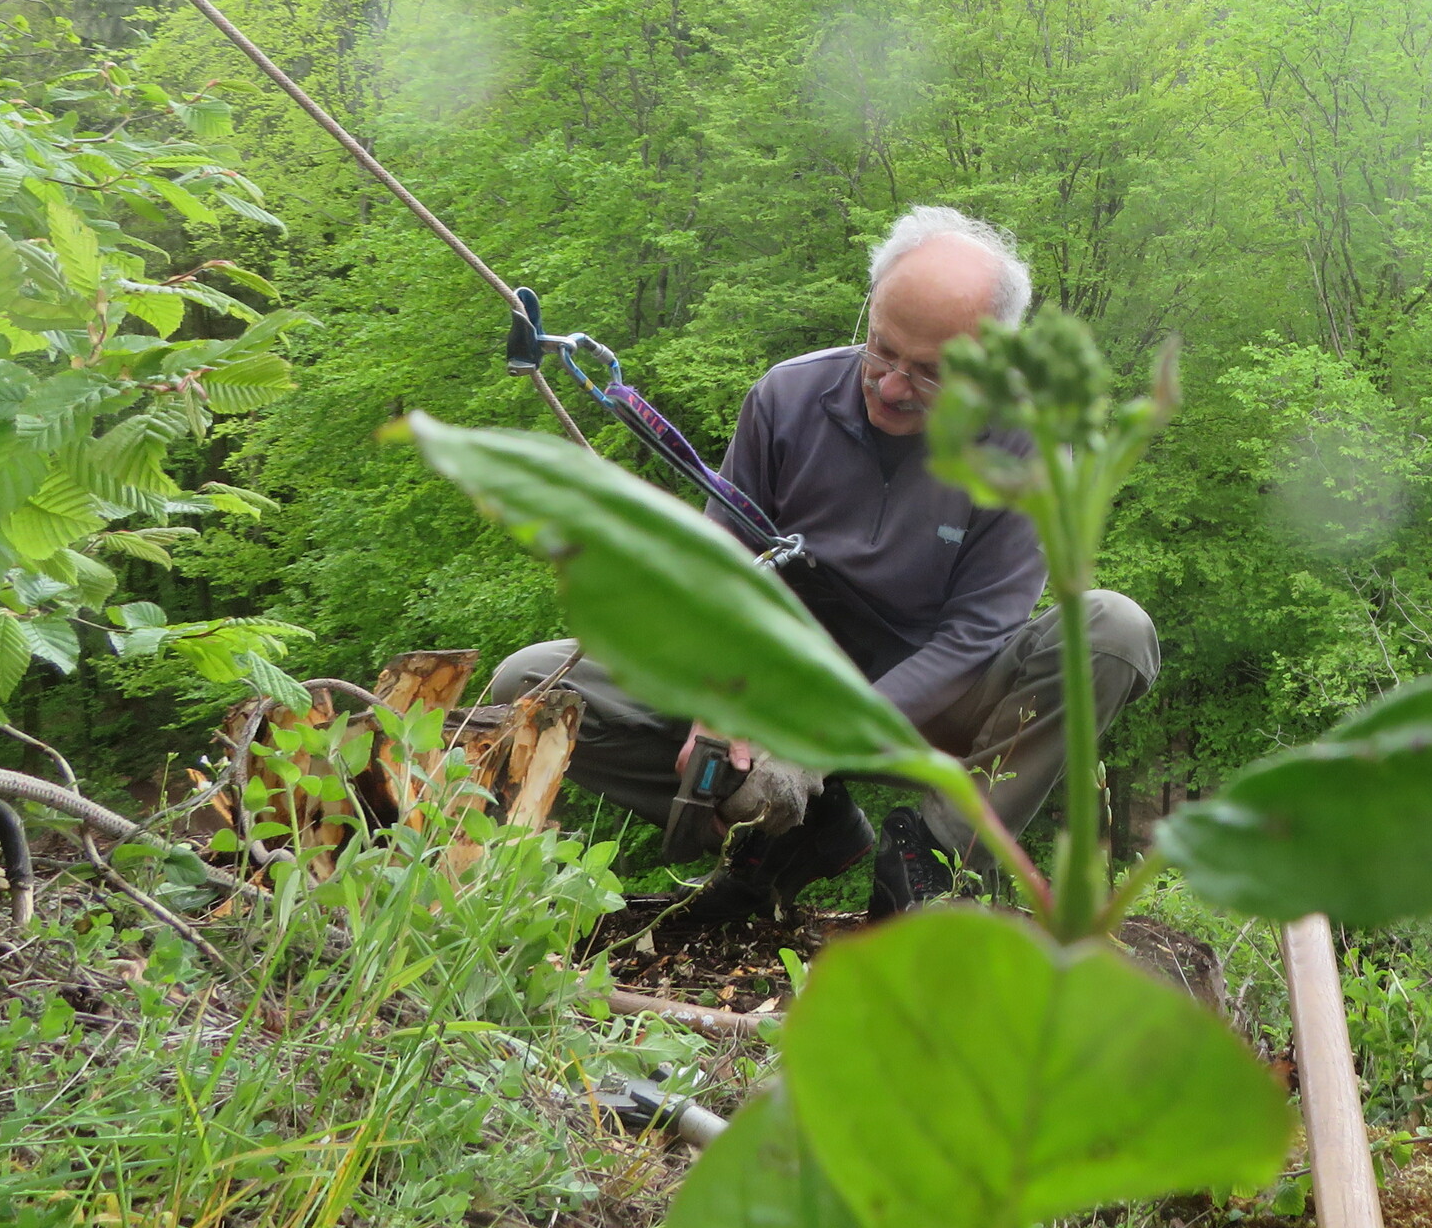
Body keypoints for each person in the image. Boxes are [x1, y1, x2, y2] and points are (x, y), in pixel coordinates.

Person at [491, 207, 1161, 923]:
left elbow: (974, 636)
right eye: (882, 351)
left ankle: (933, 853)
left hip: (936, 701)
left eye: (931, 373)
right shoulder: (786, 398)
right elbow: (714, 576)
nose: (892, 386)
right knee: (530, 684)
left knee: (1113, 632)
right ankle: (788, 834)